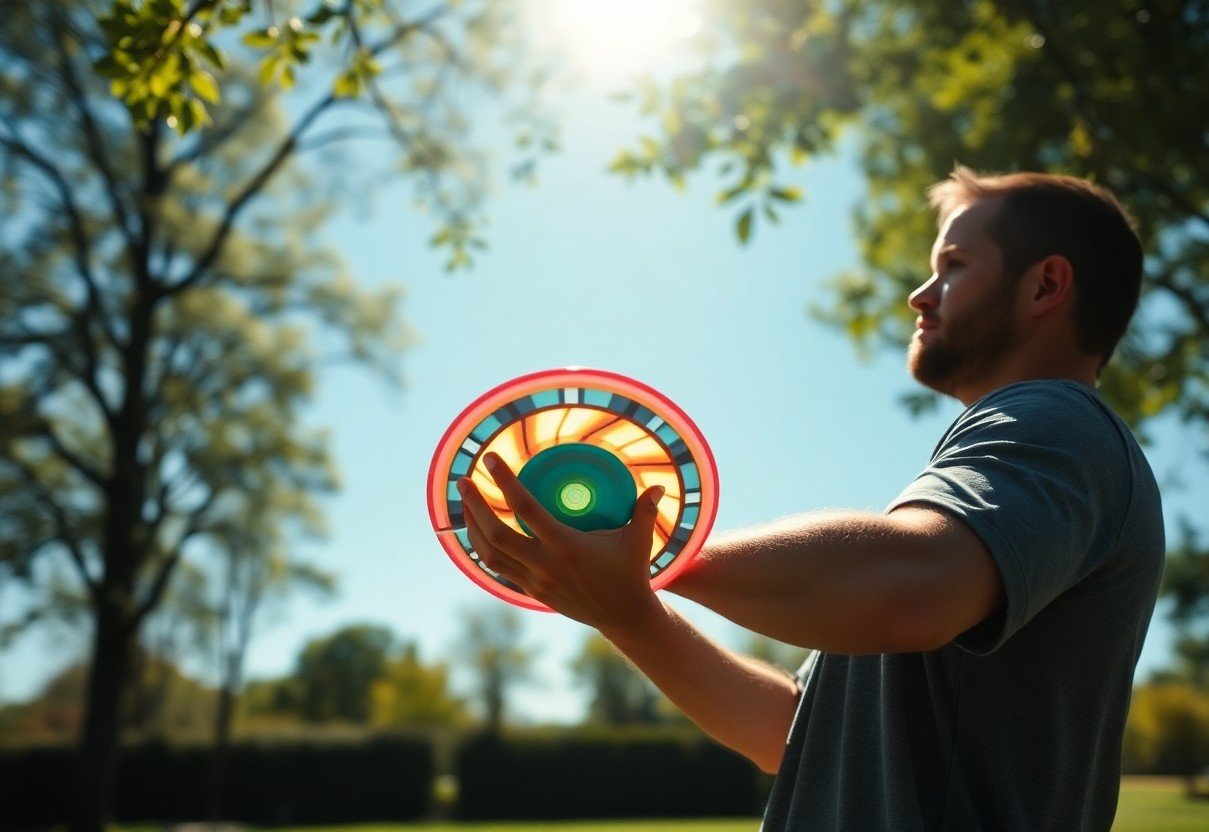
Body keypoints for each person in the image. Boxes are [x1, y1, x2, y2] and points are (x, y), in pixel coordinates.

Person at [457, 166, 1165, 831]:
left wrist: (658, 555)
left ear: (1045, 286)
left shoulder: (1058, 423)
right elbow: (792, 730)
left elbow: (911, 591)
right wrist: (631, 613)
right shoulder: (1008, 468)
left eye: (953, 265)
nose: (920, 294)